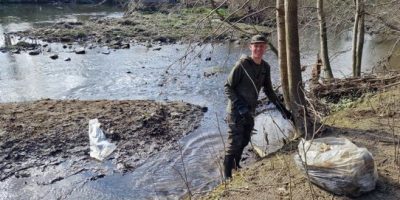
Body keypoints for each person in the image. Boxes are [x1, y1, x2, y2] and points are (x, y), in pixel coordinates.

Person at [223, 34, 292, 179]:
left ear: (265, 48)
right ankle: (227, 177)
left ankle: (236, 165)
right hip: (236, 111)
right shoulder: (241, 65)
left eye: (262, 46)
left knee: (246, 139)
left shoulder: (265, 67)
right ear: (251, 47)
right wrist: (240, 105)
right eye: (256, 46)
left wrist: (282, 109)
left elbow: (269, 91)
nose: (259, 49)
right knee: (233, 143)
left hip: (250, 111)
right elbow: (227, 87)